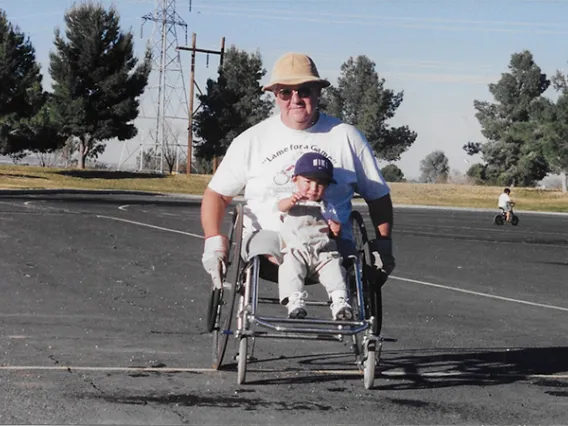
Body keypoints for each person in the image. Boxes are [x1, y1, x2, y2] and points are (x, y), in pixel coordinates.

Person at [200, 51, 395, 305]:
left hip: (329, 241)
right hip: (270, 243)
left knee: (345, 259)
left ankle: (344, 307)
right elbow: (217, 194)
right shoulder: (252, 140)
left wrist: (383, 246)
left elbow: (378, 195)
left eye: (304, 90)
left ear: (318, 93)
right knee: (265, 248)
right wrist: (214, 243)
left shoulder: (346, 137)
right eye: (285, 92)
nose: (296, 99)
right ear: (275, 95)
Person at [277, 152, 352, 320]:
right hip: (297, 249)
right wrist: (292, 200)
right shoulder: (290, 201)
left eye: (320, 184)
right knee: (290, 267)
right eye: (308, 182)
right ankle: (294, 301)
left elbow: (334, 225)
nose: (313, 188)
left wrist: (335, 226)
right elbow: (281, 207)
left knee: (334, 268)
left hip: (322, 251)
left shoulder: (327, 206)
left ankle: (340, 301)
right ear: (295, 179)